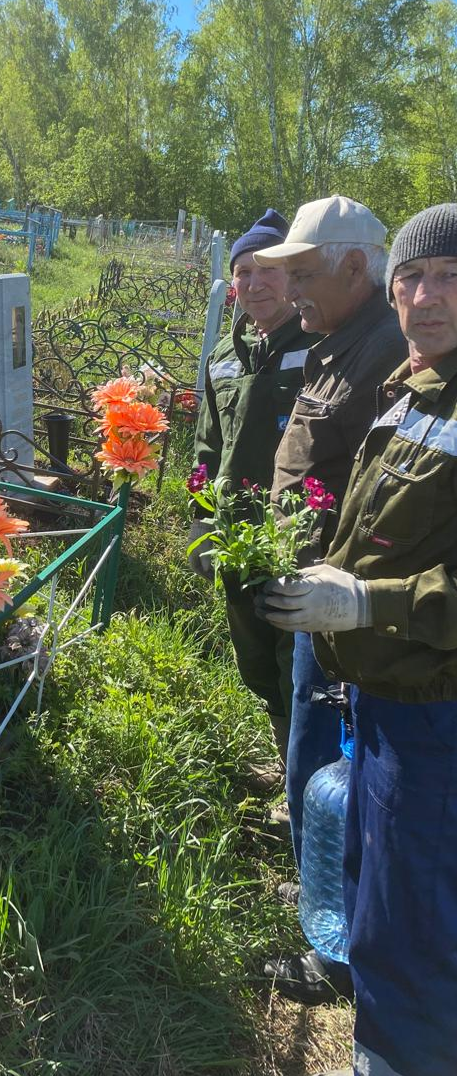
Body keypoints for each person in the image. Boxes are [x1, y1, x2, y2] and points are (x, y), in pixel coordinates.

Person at [260, 203, 457, 1076]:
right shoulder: (416, 387)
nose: (426, 295)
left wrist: (368, 605)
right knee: (387, 904)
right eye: (414, 277)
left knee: (414, 922)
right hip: (387, 698)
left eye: (449, 275)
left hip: (436, 711)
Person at [252, 195, 406, 1003]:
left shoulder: (385, 347)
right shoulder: (337, 339)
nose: (295, 292)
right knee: (312, 747)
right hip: (314, 593)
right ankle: (321, 898)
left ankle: (335, 948)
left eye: (305, 275)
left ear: (355, 267)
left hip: (343, 606)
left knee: (332, 764)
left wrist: (345, 592)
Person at [190, 209, 318, 783]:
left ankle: (306, 773)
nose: (254, 282)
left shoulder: (320, 348)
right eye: (243, 271)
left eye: (268, 268)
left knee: (300, 658)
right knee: (255, 654)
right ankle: (285, 749)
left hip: (298, 532)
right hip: (237, 535)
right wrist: (199, 521)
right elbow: (205, 449)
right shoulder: (223, 355)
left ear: (293, 278)